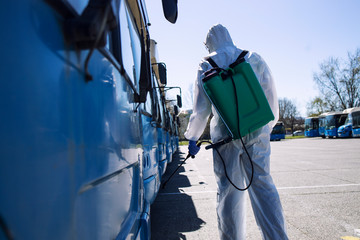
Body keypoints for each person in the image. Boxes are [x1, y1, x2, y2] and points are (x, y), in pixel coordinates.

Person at [184, 24, 288, 240]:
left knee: (229, 193)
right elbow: (270, 99)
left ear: (209, 43)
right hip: (256, 130)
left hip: (225, 135)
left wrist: (193, 137)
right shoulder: (253, 58)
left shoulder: (205, 64)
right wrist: (263, 129)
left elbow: (201, 109)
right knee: (263, 185)